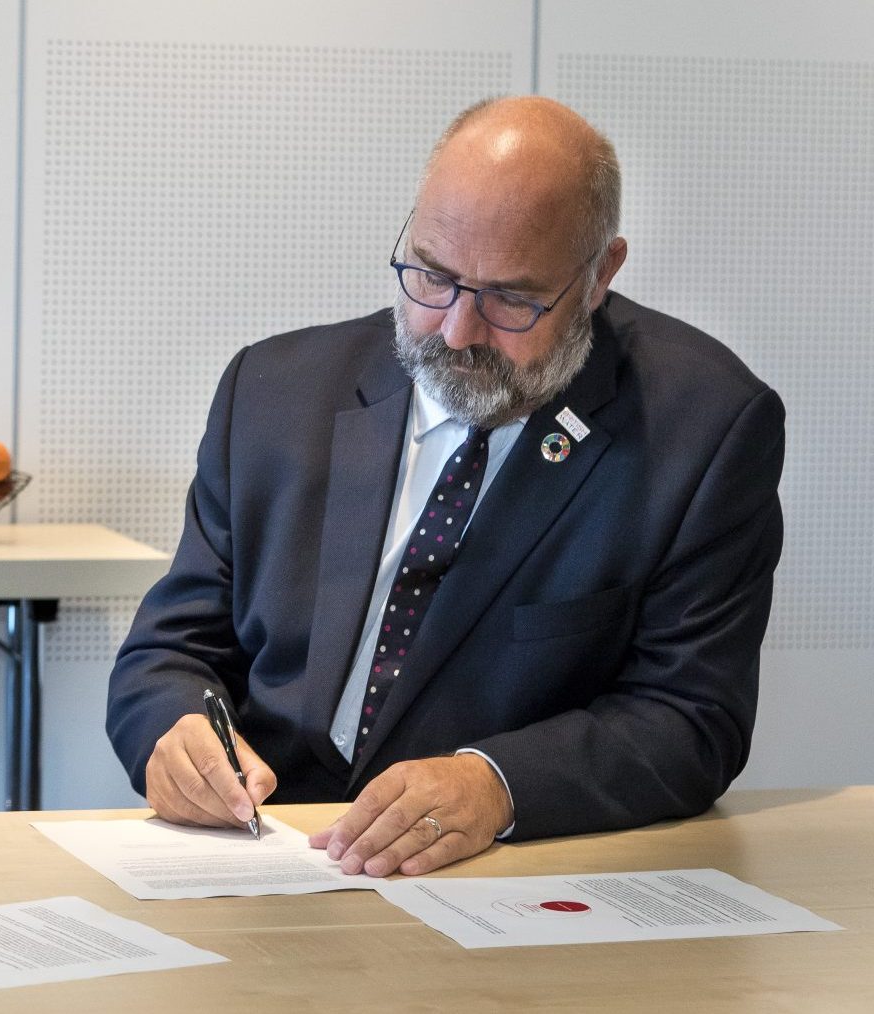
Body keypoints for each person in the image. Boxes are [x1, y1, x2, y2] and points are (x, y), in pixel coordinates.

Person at [106, 96, 783, 879]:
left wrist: (494, 784)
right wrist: (173, 732)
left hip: (500, 879)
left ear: (600, 274)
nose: (458, 331)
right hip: (266, 857)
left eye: (511, 298)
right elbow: (169, 650)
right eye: (433, 276)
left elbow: (693, 719)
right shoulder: (273, 392)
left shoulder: (702, 428)